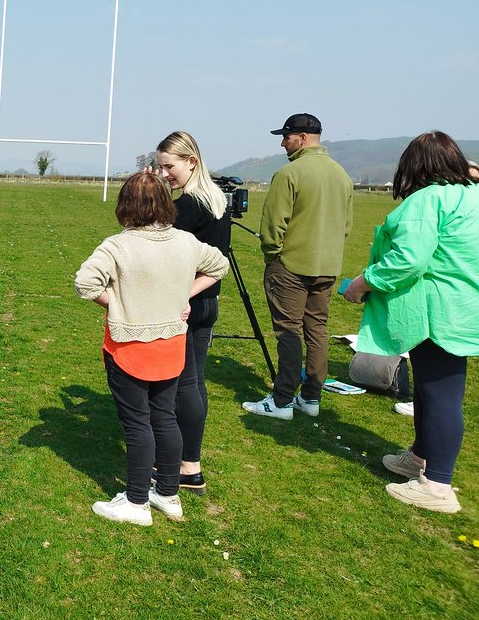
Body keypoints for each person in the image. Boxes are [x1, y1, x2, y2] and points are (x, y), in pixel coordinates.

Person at [75, 172, 229, 525]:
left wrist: (113, 303)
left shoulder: (117, 246)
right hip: (172, 344)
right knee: (164, 417)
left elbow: (85, 283)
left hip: (129, 348)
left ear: (125, 205)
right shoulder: (186, 242)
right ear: (165, 203)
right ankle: (169, 494)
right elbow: (219, 265)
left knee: (137, 423)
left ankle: (136, 502)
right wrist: (185, 295)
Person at [343, 132, 479, 514]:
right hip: (461, 308)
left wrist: (363, 282)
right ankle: (420, 455)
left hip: (437, 311)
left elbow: (409, 260)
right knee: (429, 388)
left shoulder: (429, 199)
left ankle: (437, 485)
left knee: (441, 394)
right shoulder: (469, 195)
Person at [242, 113, 354, 420]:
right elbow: (346, 226)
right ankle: (311, 398)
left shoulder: (290, 173)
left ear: (302, 138)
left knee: (288, 332)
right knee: (317, 330)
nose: (282, 143)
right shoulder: (341, 174)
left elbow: (273, 225)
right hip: (327, 266)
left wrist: (272, 255)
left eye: (286, 137)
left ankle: (281, 401)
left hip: (290, 266)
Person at [153, 132, 229, 495]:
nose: (164, 173)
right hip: (208, 304)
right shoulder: (215, 200)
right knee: (195, 381)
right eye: (160, 166)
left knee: (181, 384)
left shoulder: (189, 207)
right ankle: (190, 464)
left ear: (191, 162)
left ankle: (183, 465)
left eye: (169, 166)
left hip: (188, 304)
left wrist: (179, 294)